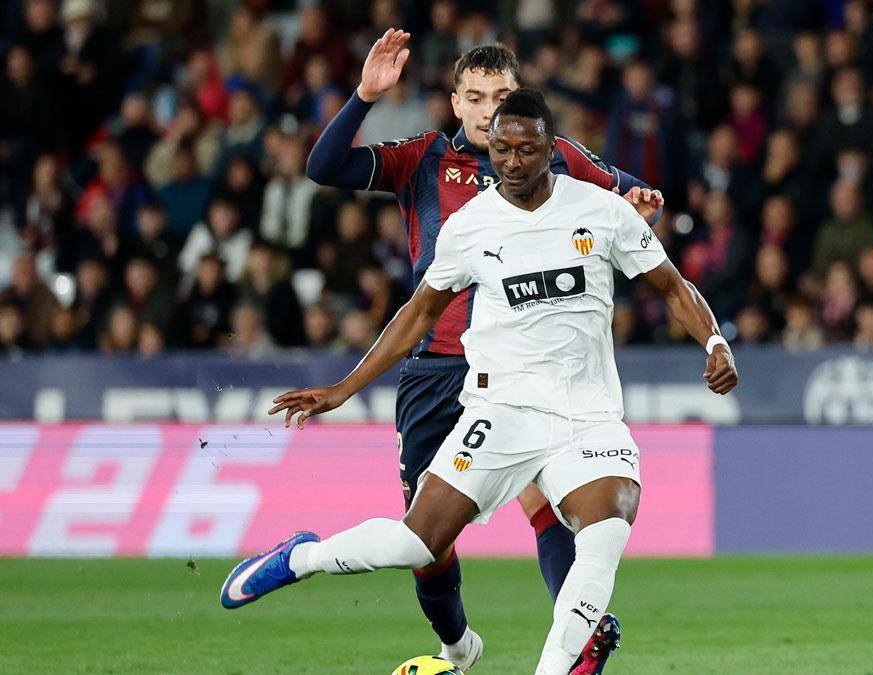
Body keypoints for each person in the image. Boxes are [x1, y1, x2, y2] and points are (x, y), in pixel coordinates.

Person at [220, 89, 738, 674]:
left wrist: (715, 340)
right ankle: (304, 558)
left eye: (525, 149)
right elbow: (418, 312)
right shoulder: (470, 226)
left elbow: (672, 286)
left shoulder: (600, 209)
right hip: (503, 410)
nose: (511, 162)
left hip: (588, 416)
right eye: (501, 150)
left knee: (607, 525)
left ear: (551, 149)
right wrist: (344, 387)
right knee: (418, 543)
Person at [284, 31, 662, 671]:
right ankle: (457, 650)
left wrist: (643, 201)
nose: (491, 111)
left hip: (522, 370)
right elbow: (323, 168)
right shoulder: (423, 160)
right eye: (477, 97)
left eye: (504, 96)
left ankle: (582, 635)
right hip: (434, 365)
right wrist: (363, 97)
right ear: (455, 104)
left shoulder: (553, 157)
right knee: (425, 539)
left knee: (546, 503)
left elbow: (634, 201)